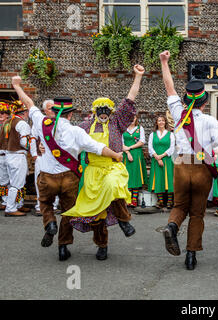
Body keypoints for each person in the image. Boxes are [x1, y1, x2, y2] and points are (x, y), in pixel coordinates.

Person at [159, 50, 218, 270]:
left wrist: (164, 62)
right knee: (197, 213)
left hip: (181, 165)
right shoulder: (211, 121)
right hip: (201, 169)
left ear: (187, 100)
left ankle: (172, 226)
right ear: (204, 101)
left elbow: (169, 87)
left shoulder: (177, 112)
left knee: (179, 205)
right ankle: (191, 256)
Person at [12, 76, 122, 261]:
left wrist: (17, 86)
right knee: (67, 212)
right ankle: (63, 248)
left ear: (53, 112)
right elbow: (98, 148)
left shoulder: (41, 122)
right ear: (70, 114)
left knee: (45, 203)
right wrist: (116, 155)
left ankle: (49, 224)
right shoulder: (76, 131)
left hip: (47, 176)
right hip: (69, 178)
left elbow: (29, 103)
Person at [63, 64, 144, 261]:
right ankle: (102, 245)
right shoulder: (85, 125)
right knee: (97, 213)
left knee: (113, 185)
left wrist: (138, 76)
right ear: (94, 110)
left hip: (113, 167)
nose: (103, 112)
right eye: (100, 109)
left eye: (107, 109)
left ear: (111, 111)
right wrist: (45, 148)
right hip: (93, 170)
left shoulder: (117, 122)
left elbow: (130, 99)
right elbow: (67, 138)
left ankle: (124, 221)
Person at [3, 99, 37, 216]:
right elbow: (24, 141)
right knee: (17, 183)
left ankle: (17, 205)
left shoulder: (8, 121)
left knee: (13, 182)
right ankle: (11, 208)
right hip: (17, 155)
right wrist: (31, 148)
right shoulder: (22, 123)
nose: (28, 114)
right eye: (27, 112)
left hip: (9, 155)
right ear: (24, 112)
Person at [32, 99, 59, 216]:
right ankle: (40, 206)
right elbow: (33, 139)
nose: (53, 110)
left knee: (57, 182)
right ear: (44, 111)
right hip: (42, 157)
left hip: (57, 158)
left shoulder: (60, 122)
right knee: (42, 182)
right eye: (50, 108)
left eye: (54, 108)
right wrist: (35, 154)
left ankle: (54, 205)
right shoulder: (39, 122)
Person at [148, 115, 175, 209]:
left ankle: (170, 201)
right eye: (159, 120)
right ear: (156, 122)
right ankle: (160, 201)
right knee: (158, 179)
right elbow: (150, 147)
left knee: (168, 179)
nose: (161, 122)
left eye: (163, 120)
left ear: (165, 122)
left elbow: (172, 148)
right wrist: (157, 157)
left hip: (167, 159)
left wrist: (162, 156)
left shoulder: (170, 134)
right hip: (156, 159)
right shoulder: (153, 134)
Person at [122, 112, 148, 208]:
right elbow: (121, 143)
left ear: (136, 118)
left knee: (136, 175)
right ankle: (127, 199)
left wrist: (130, 148)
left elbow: (142, 141)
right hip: (126, 154)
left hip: (137, 154)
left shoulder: (139, 128)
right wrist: (128, 152)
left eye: (134, 117)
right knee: (127, 175)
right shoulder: (123, 129)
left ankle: (134, 200)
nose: (132, 119)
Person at [0, 101, 12, 211]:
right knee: (3, 181)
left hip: (9, 154)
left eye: (3, 113)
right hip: (1, 156)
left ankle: (16, 203)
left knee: (13, 181)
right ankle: (4, 201)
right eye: (0, 113)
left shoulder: (10, 124)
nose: (1, 115)